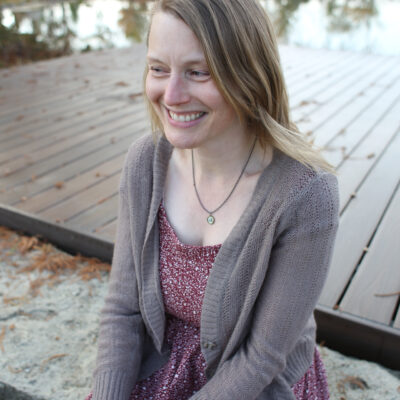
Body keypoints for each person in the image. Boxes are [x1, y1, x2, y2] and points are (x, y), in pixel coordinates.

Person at [86, 0, 339, 399]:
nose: (171, 95)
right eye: (158, 69)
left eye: (198, 72)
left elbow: (261, 358)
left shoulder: (306, 194)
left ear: (248, 74)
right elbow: (124, 311)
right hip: (161, 366)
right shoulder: (145, 163)